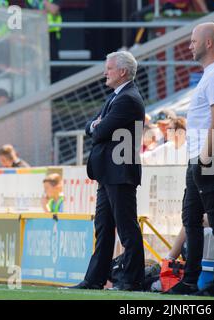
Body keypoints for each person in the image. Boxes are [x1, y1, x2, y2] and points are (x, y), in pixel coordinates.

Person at [164, 22, 214, 297]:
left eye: (193, 41)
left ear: (208, 43)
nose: (189, 46)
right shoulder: (211, 75)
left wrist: (204, 158)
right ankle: (191, 280)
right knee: (191, 218)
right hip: (203, 157)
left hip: (212, 157)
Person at [70, 51, 145, 291]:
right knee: (103, 228)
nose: (105, 73)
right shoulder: (116, 96)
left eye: (109, 68)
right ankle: (94, 279)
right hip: (109, 173)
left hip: (120, 172)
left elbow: (100, 131)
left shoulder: (128, 99)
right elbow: (91, 126)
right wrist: (95, 125)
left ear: (122, 71)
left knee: (126, 227)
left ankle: (132, 280)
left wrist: (96, 126)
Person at [25, 0, 62, 83]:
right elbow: (29, 14)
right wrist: (43, 11)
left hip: (51, 33)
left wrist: (44, 2)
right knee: (36, 61)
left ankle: (53, 87)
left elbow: (54, 10)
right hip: (35, 34)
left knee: (53, 64)